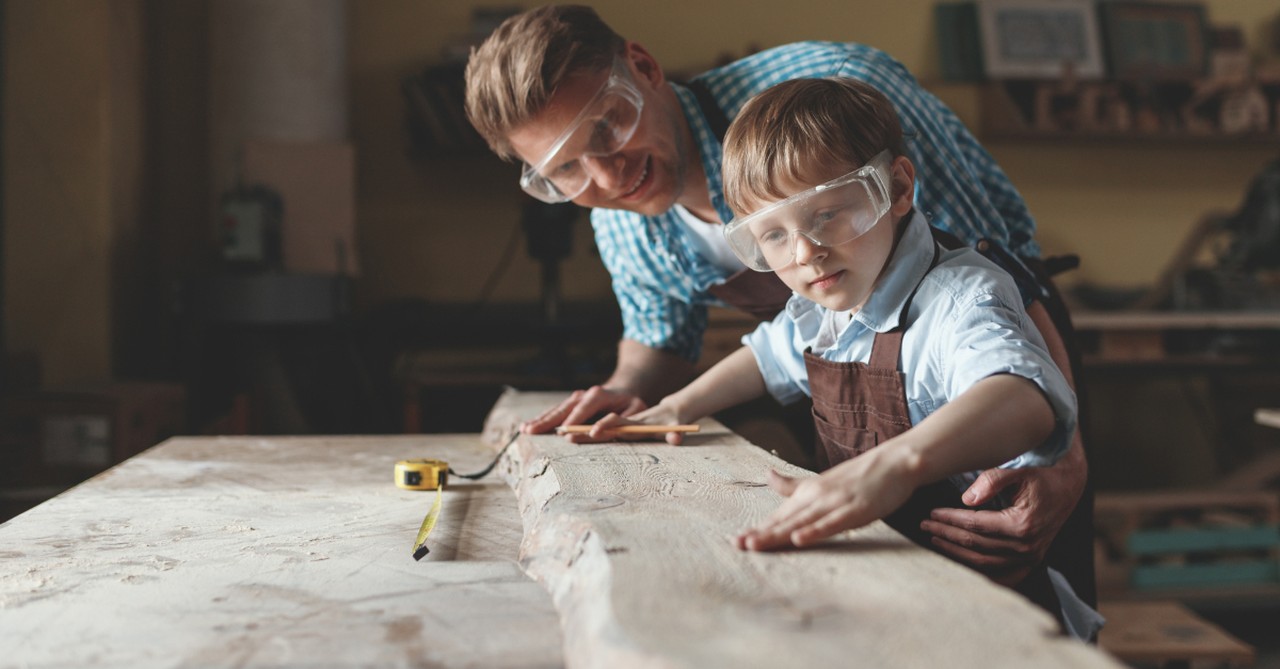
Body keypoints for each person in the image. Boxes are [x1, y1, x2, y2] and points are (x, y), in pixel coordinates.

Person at [463, 4, 1094, 612]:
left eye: (606, 127)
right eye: (566, 170)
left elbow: (1005, 277)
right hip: (884, 483)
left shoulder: (841, 101)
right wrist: (636, 400)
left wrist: (1059, 456)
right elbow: (696, 344)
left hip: (1000, 395)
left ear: (644, 69)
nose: (605, 173)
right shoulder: (628, 226)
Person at [586, 77, 1101, 639]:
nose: (806, 252)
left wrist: (891, 467)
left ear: (897, 188)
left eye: (828, 214)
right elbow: (767, 355)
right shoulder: (827, 303)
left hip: (987, 612)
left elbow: (1023, 396)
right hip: (890, 601)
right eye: (774, 237)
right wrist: (674, 406)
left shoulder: (960, 298)